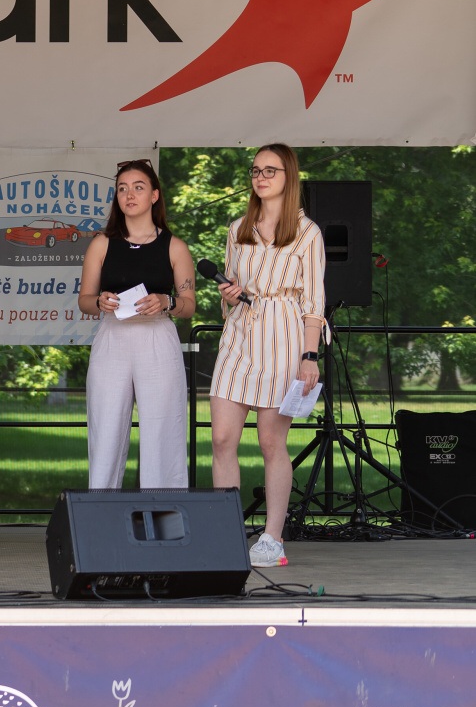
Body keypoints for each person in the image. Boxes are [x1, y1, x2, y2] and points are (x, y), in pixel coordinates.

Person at [209, 143, 326, 568]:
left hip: (284, 335)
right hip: (240, 334)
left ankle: (272, 538)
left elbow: (314, 302)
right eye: (256, 170)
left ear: (288, 176)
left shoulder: (307, 232)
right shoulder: (238, 227)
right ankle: (225, 533)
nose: (260, 177)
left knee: (271, 441)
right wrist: (229, 294)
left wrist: (309, 355)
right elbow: (230, 288)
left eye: (270, 170)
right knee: (222, 438)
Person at [78, 158, 196, 490]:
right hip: (112, 337)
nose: (129, 195)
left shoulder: (175, 246)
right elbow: (84, 299)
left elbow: (189, 305)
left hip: (157, 337)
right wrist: (99, 302)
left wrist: (166, 301)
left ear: (154, 195)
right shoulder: (101, 243)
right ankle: (100, 508)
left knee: (163, 429)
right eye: (122, 189)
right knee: (106, 428)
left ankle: (165, 511)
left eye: (138, 188)